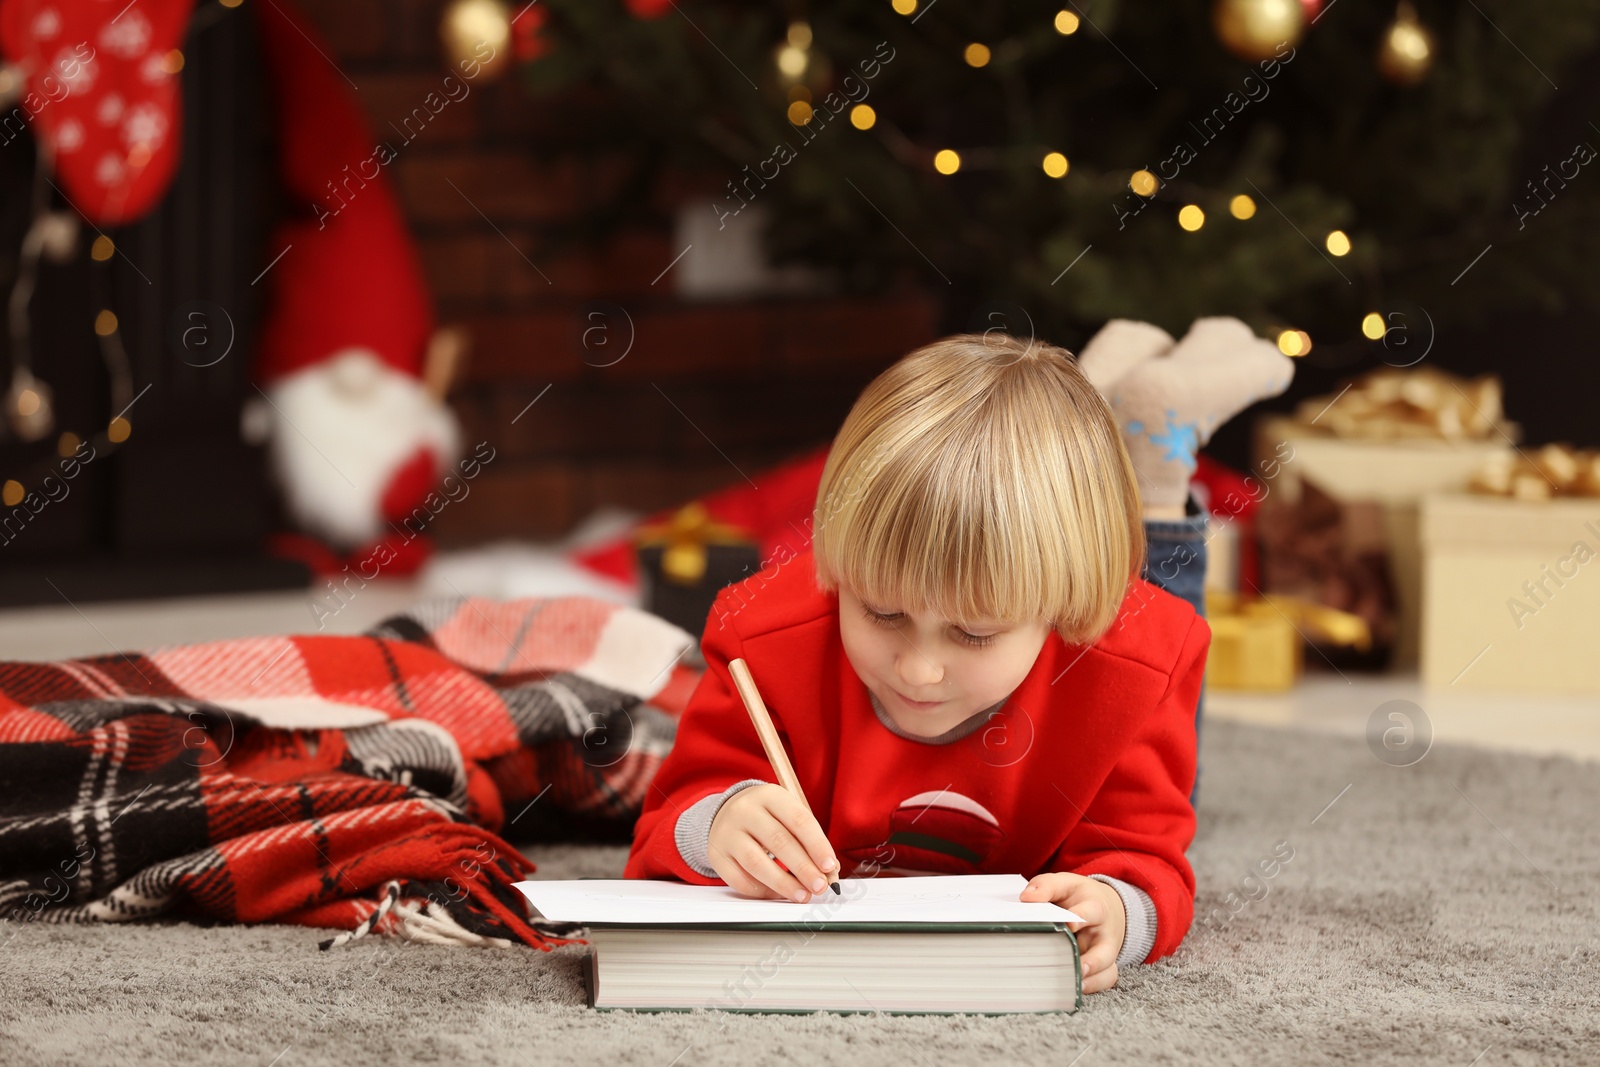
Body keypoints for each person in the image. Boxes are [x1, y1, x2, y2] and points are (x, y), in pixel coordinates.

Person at [625, 323, 1293, 993]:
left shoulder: (1134, 666)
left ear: (1058, 610)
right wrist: (716, 823)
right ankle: (1105, 415)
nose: (918, 669)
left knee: (1148, 596)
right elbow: (670, 817)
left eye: (973, 634)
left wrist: (1119, 908)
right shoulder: (762, 636)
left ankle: (1154, 467)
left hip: (1116, 652)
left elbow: (1148, 859)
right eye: (882, 613)